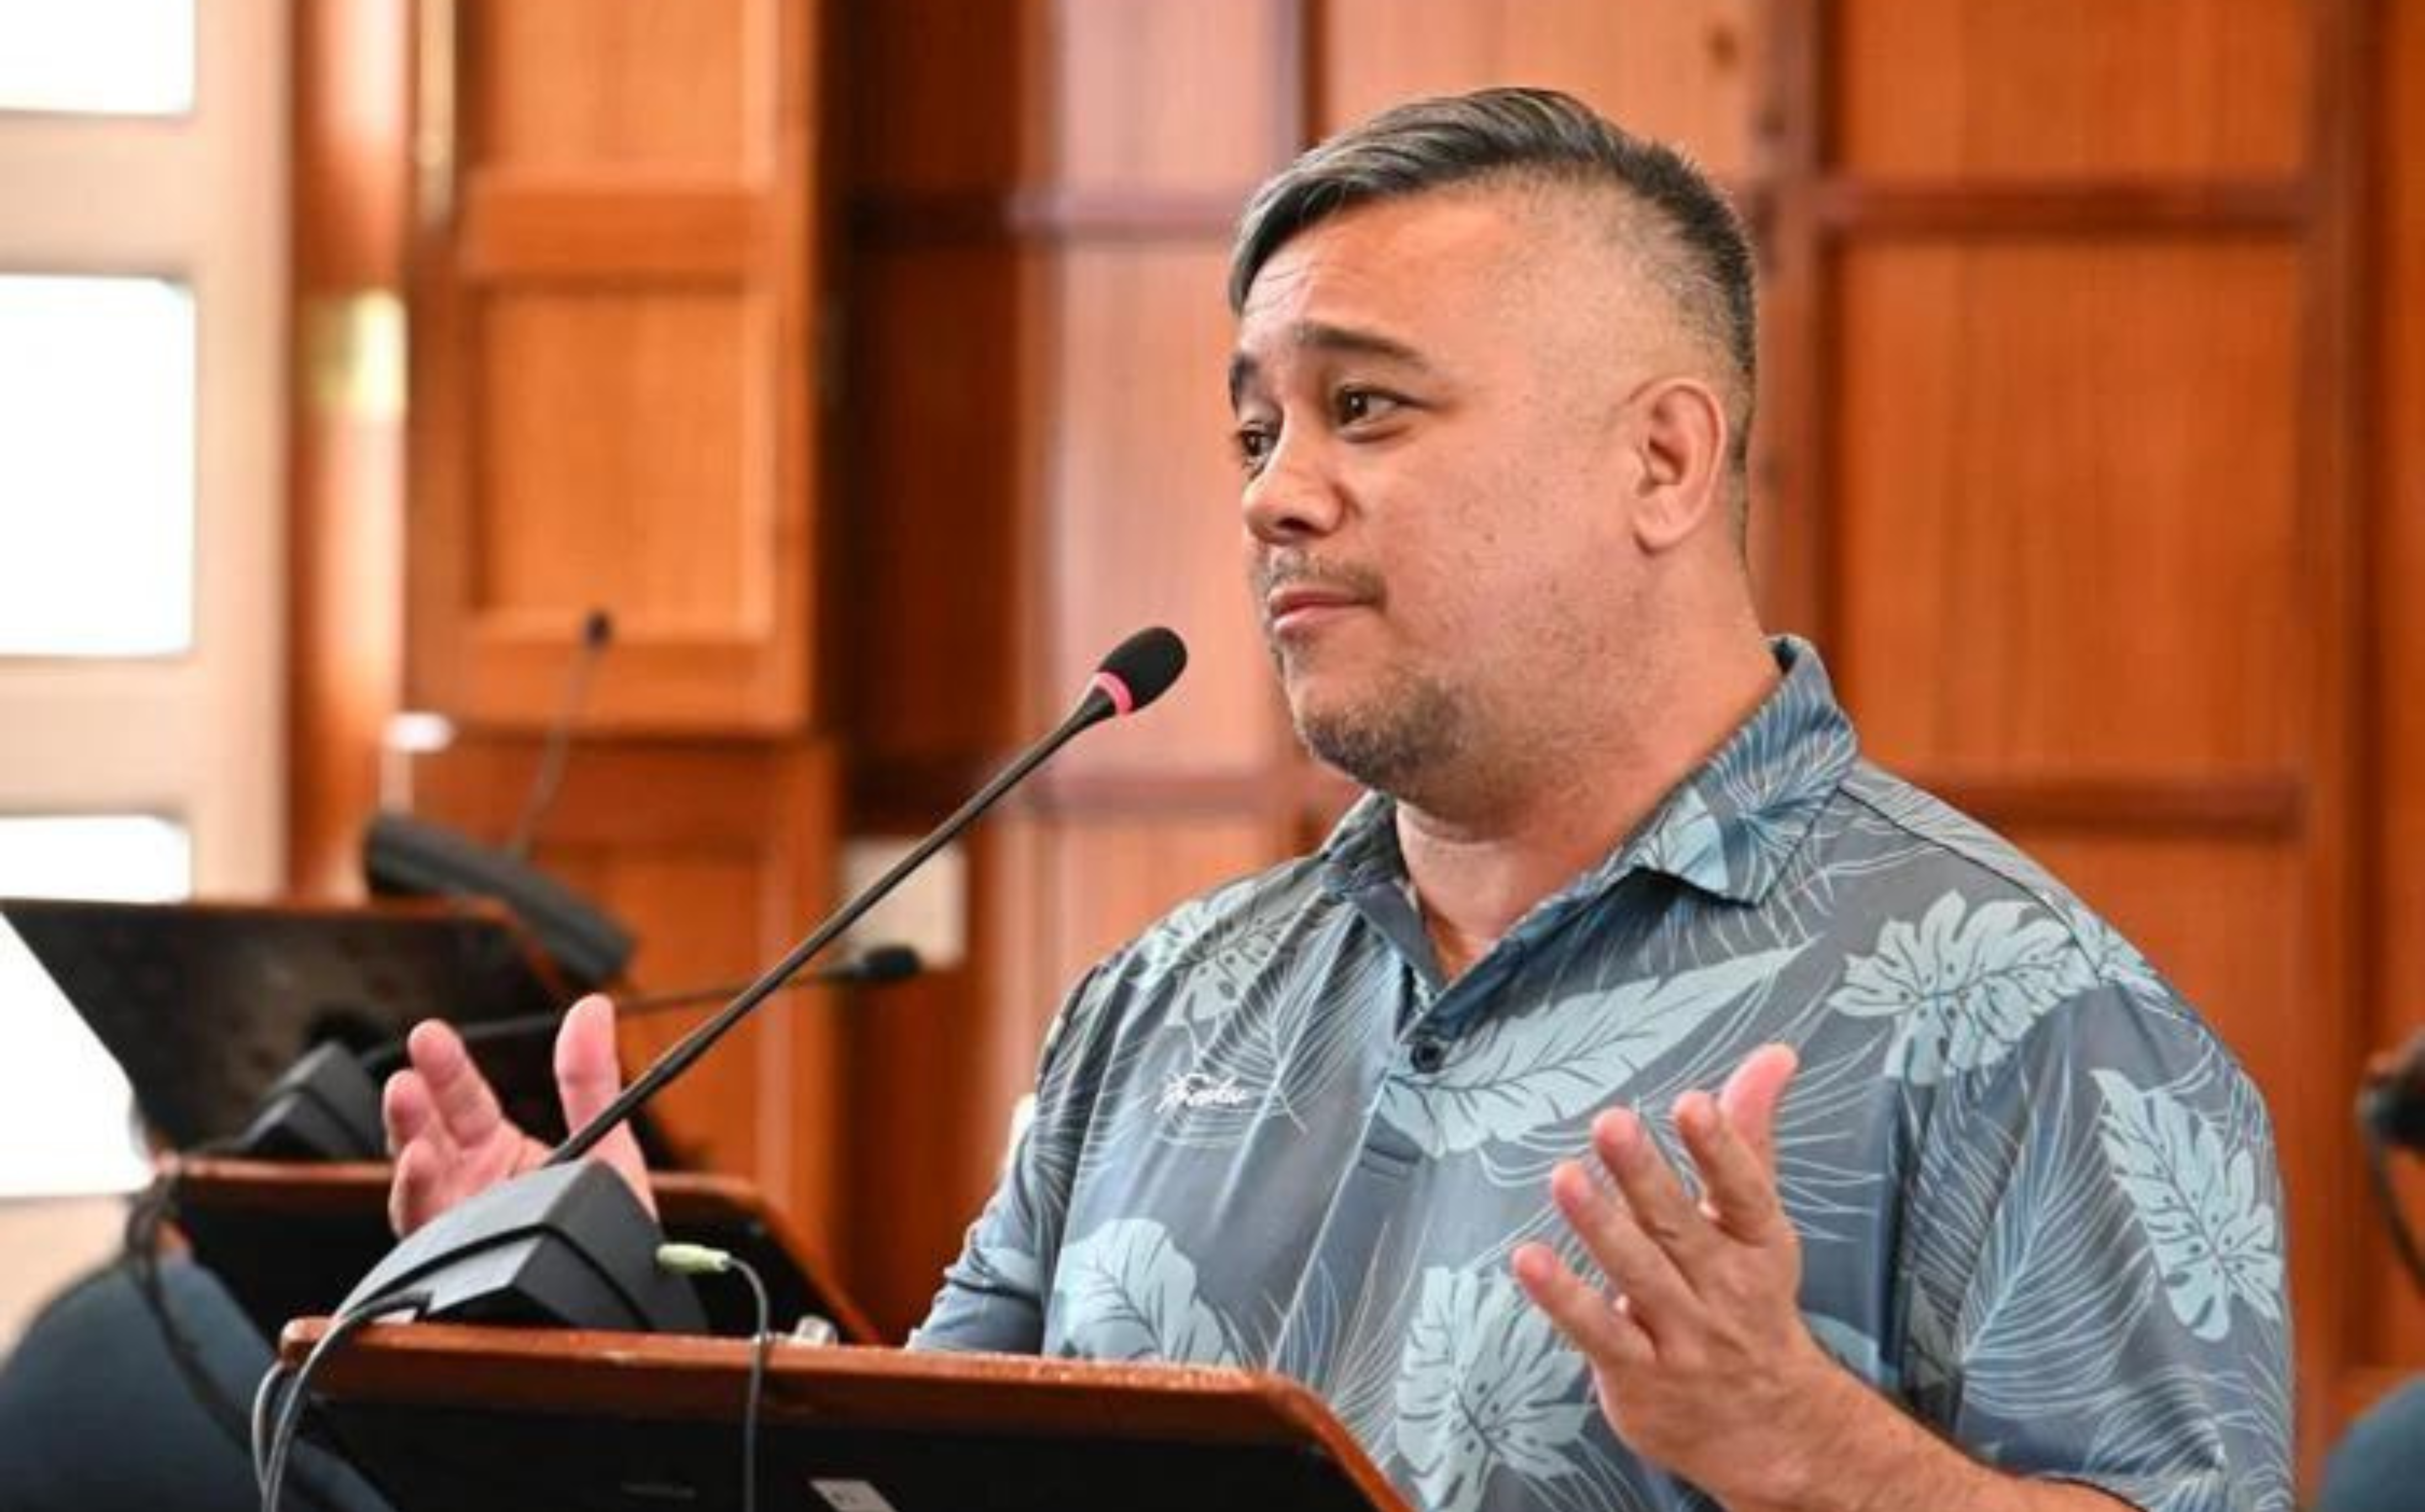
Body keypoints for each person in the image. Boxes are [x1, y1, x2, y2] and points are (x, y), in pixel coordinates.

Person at [383, 89, 2293, 1512]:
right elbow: (910, 1477)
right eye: (1255, 427)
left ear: (1662, 460)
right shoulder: (1163, 1002)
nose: (1272, 492)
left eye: (1364, 408)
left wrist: (1820, 1456)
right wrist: (611, 1342)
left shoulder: (2028, 1017)